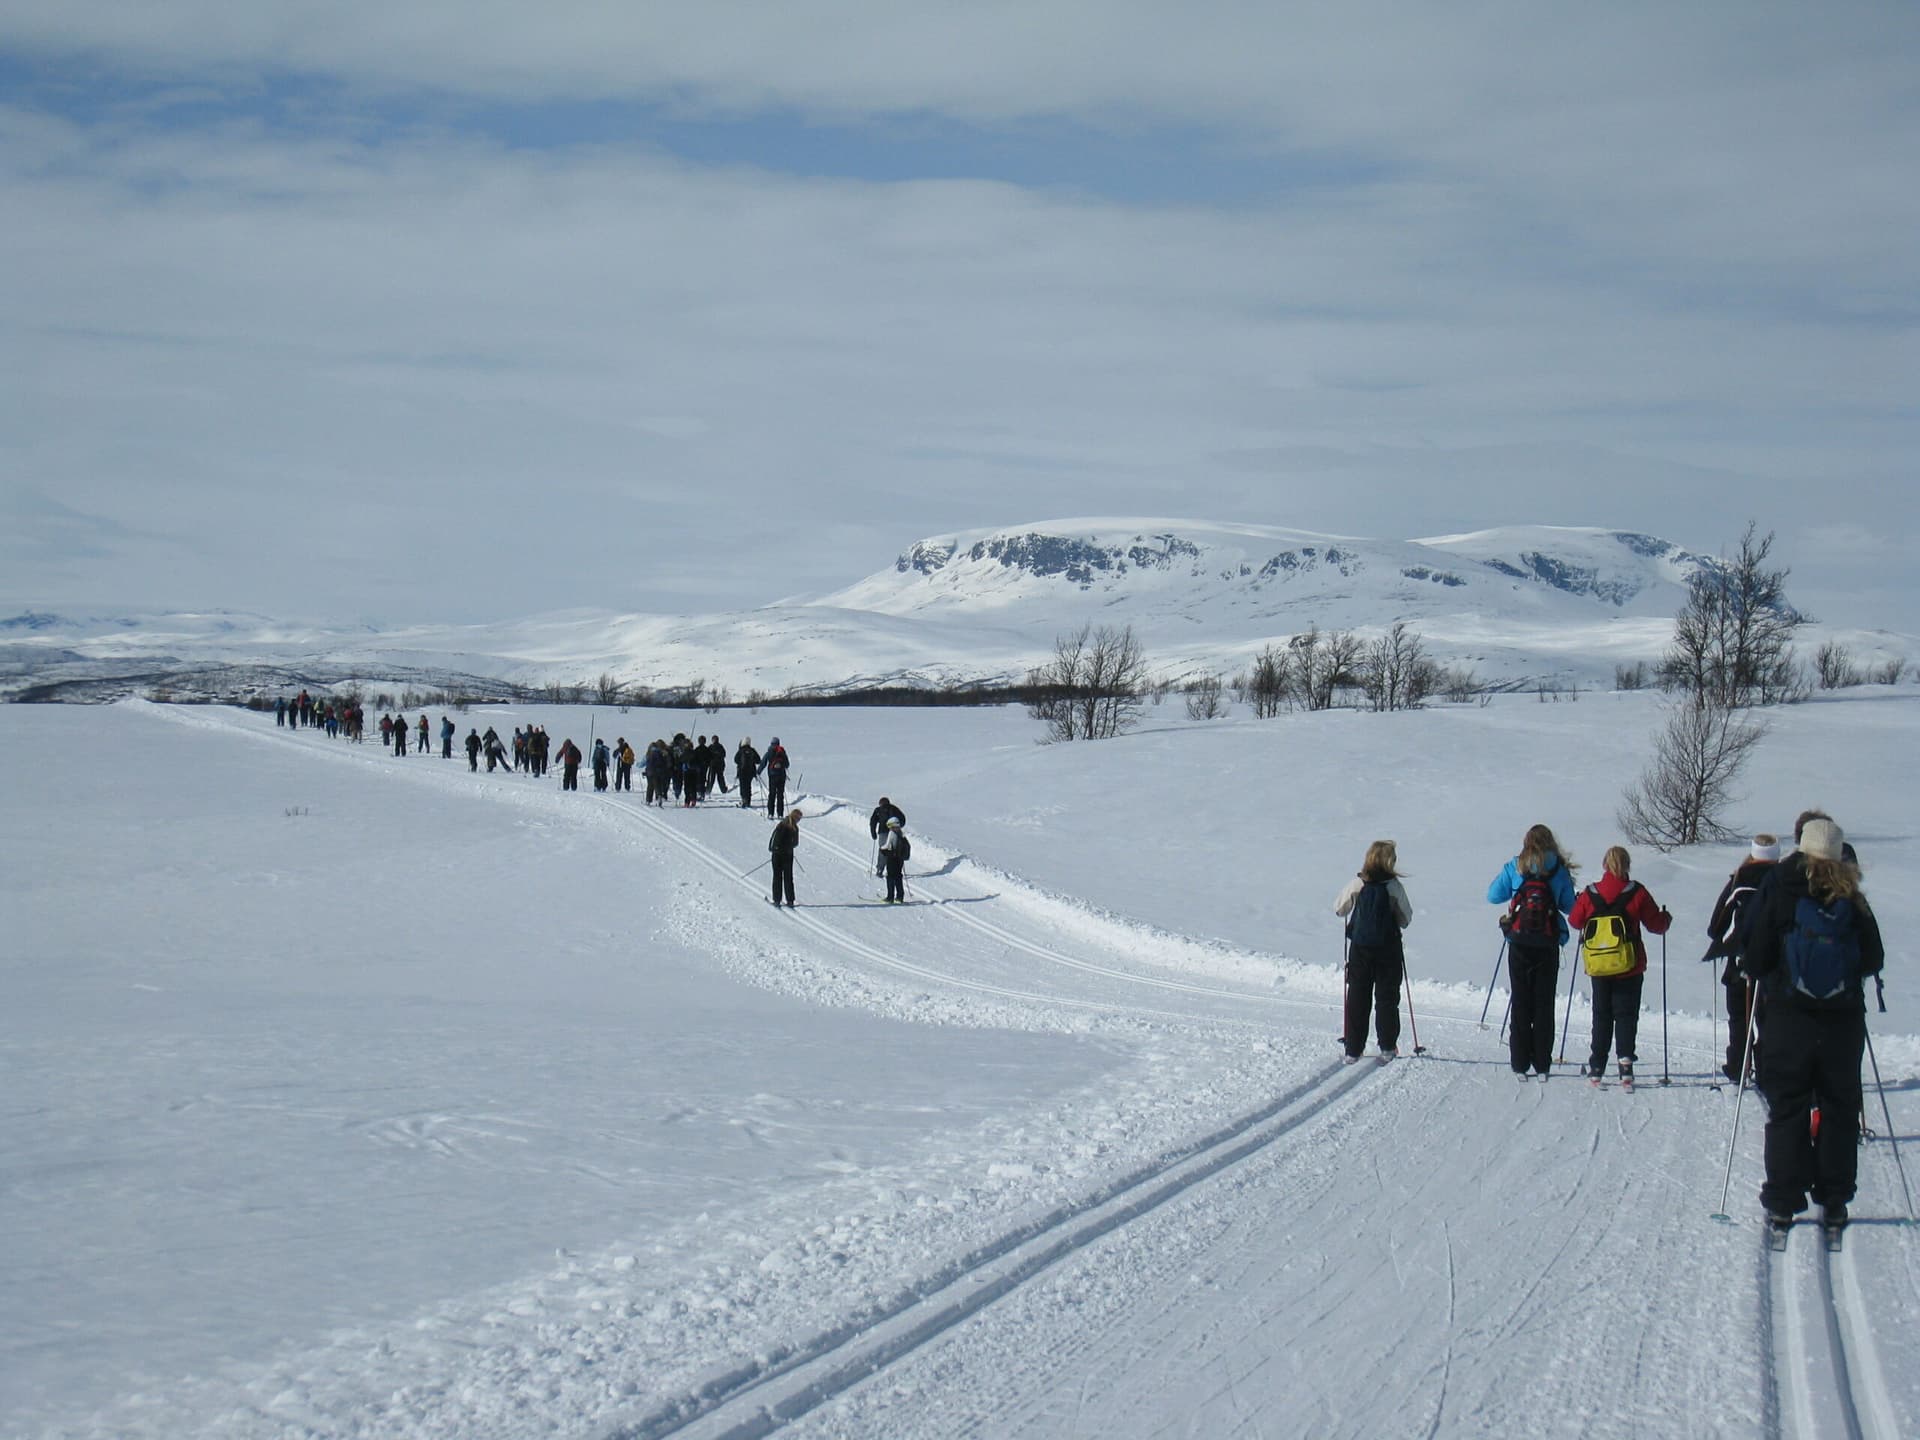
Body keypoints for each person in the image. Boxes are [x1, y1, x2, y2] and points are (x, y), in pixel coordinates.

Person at [1739, 818, 1882, 1236]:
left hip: (1788, 1016)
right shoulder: (1851, 896)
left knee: (1788, 1108)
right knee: (1839, 1107)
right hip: (1842, 1022)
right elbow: (1873, 958)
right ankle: (1835, 1201)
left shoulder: (1780, 889)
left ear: (1801, 848)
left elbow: (1756, 955)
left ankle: (1783, 1203)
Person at [1567, 846, 1672, 1087]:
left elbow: (1574, 921)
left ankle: (1597, 1066)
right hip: (1629, 964)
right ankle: (1625, 1064)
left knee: (1601, 1014)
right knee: (1626, 1014)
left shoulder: (1591, 892)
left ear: (1605, 865)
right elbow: (1656, 925)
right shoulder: (1637, 892)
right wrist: (1666, 919)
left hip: (1599, 964)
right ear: (1627, 865)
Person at [1487, 824, 1578, 1080]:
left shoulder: (1516, 866)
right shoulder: (1557, 869)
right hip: (1547, 942)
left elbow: (1492, 896)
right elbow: (1570, 907)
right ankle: (1542, 1064)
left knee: (1521, 1000)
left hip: (1518, 941)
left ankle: (1519, 1063)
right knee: (1543, 1003)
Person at [1705, 835, 1781, 1082]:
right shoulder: (1785, 882)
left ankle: (1739, 1065)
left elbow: (1715, 927)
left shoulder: (1738, 880)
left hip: (1739, 962)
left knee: (1739, 1017)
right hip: (1773, 965)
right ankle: (1767, 1068)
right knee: (1768, 1020)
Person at [1333, 840, 1413, 1064]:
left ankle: (1353, 1048)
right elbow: (1406, 918)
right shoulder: (1393, 886)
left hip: (1361, 948)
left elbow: (1339, 908)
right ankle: (1387, 1046)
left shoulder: (1359, 882)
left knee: (1358, 996)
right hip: (1388, 949)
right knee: (1387, 998)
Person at [769, 808, 801, 907]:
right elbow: (795, 843)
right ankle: (790, 900)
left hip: (777, 854)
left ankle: (777, 900)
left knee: (777, 877)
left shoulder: (781, 824)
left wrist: (773, 849)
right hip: (788, 855)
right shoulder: (795, 828)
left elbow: (774, 839)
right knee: (788, 878)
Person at [878, 815, 912, 903]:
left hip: (892, 859)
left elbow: (887, 845)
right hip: (900, 860)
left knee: (890, 877)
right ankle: (900, 897)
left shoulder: (892, 833)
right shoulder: (901, 833)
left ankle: (890, 897)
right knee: (898, 877)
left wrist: (882, 849)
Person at [870, 797, 906, 876]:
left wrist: (873, 833)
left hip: (882, 833)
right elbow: (903, 819)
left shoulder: (878, 810)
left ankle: (880, 870)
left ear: (880, 803)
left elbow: (873, 822)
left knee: (883, 851)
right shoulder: (894, 809)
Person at [762, 737, 791, 818]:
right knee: (780, 795)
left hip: (772, 776)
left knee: (772, 794)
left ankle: (770, 813)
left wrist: (758, 772)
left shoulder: (769, 752)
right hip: (781, 776)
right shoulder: (782, 752)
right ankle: (780, 814)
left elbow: (763, 763)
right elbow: (787, 764)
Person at [735, 737, 761, 811]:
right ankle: (748, 801)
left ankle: (744, 800)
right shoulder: (752, 750)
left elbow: (736, 760)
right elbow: (758, 760)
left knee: (743, 786)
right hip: (750, 772)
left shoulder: (741, 751)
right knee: (748, 786)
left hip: (742, 771)